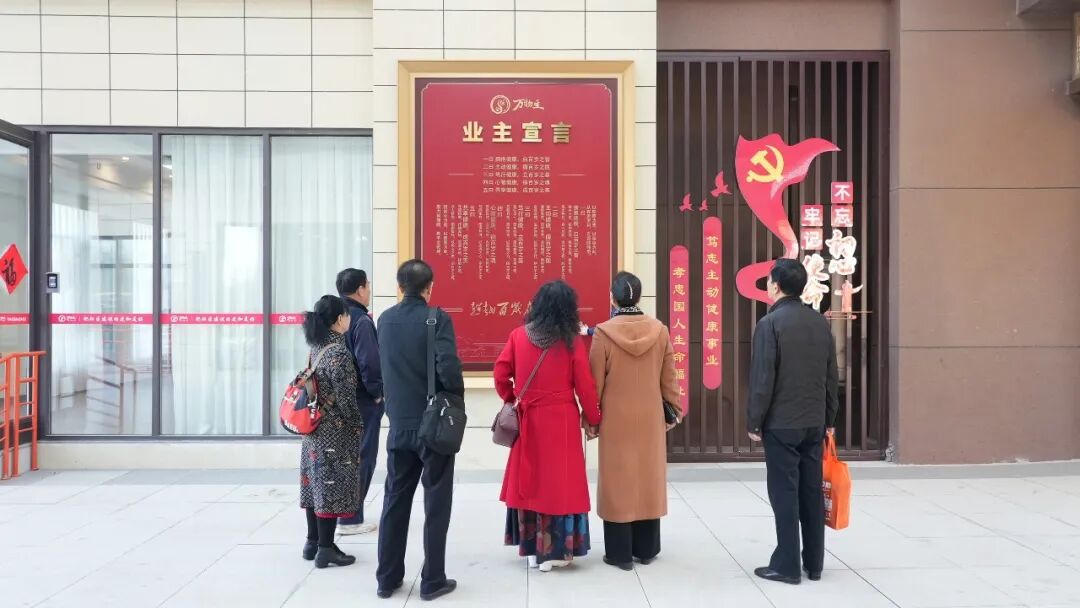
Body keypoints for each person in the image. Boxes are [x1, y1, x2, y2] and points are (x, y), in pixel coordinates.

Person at [495, 280, 601, 573]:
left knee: (530, 483)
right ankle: (556, 552)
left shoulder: (518, 336)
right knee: (560, 484)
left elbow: (501, 374)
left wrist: (514, 399)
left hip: (529, 418)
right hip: (561, 421)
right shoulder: (571, 342)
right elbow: (585, 386)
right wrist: (594, 418)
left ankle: (531, 550)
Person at [746, 258, 839, 585]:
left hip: (781, 424)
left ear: (776, 286)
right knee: (811, 490)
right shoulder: (820, 323)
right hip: (813, 422)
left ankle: (786, 565)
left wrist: (754, 422)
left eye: (769, 281)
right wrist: (829, 418)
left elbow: (763, 379)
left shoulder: (770, 324)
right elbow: (831, 376)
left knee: (784, 492)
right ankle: (814, 562)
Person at [375, 259, 464, 601]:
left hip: (399, 424)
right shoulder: (437, 318)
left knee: (395, 500)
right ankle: (432, 580)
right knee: (436, 503)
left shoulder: (384, 320)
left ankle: (387, 579)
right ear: (430, 287)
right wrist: (455, 401)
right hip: (432, 425)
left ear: (399, 287)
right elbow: (449, 369)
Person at [588, 271, 681, 571]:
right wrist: (673, 409)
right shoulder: (659, 330)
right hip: (651, 416)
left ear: (613, 299)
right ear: (639, 297)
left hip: (616, 419)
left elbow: (594, 383)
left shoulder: (603, 333)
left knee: (618, 480)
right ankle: (647, 549)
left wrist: (591, 419)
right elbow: (669, 378)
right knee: (647, 477)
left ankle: (620, 554)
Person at [298, 295, 363, 569]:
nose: (349, 319)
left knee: (315, 485)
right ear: (339, 320)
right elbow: (347, 399)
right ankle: (326, 549)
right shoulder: (339, 353)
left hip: (313, 430)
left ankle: (312, 543)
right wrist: (358, 426)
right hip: (334, 432)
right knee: (331, 486)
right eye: (346, 315)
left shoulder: (316, 349)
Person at [334, 268, 383, 536]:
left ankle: (337, 514)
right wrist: (377, 393)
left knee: (342, 457)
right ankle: (350, 518)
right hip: (361, 401)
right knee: (362, 457)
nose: (370, 291)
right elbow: (370, 364)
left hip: (336, 401)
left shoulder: (333, 317)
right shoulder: (360, 320)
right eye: (368, 286)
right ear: (360, 289)